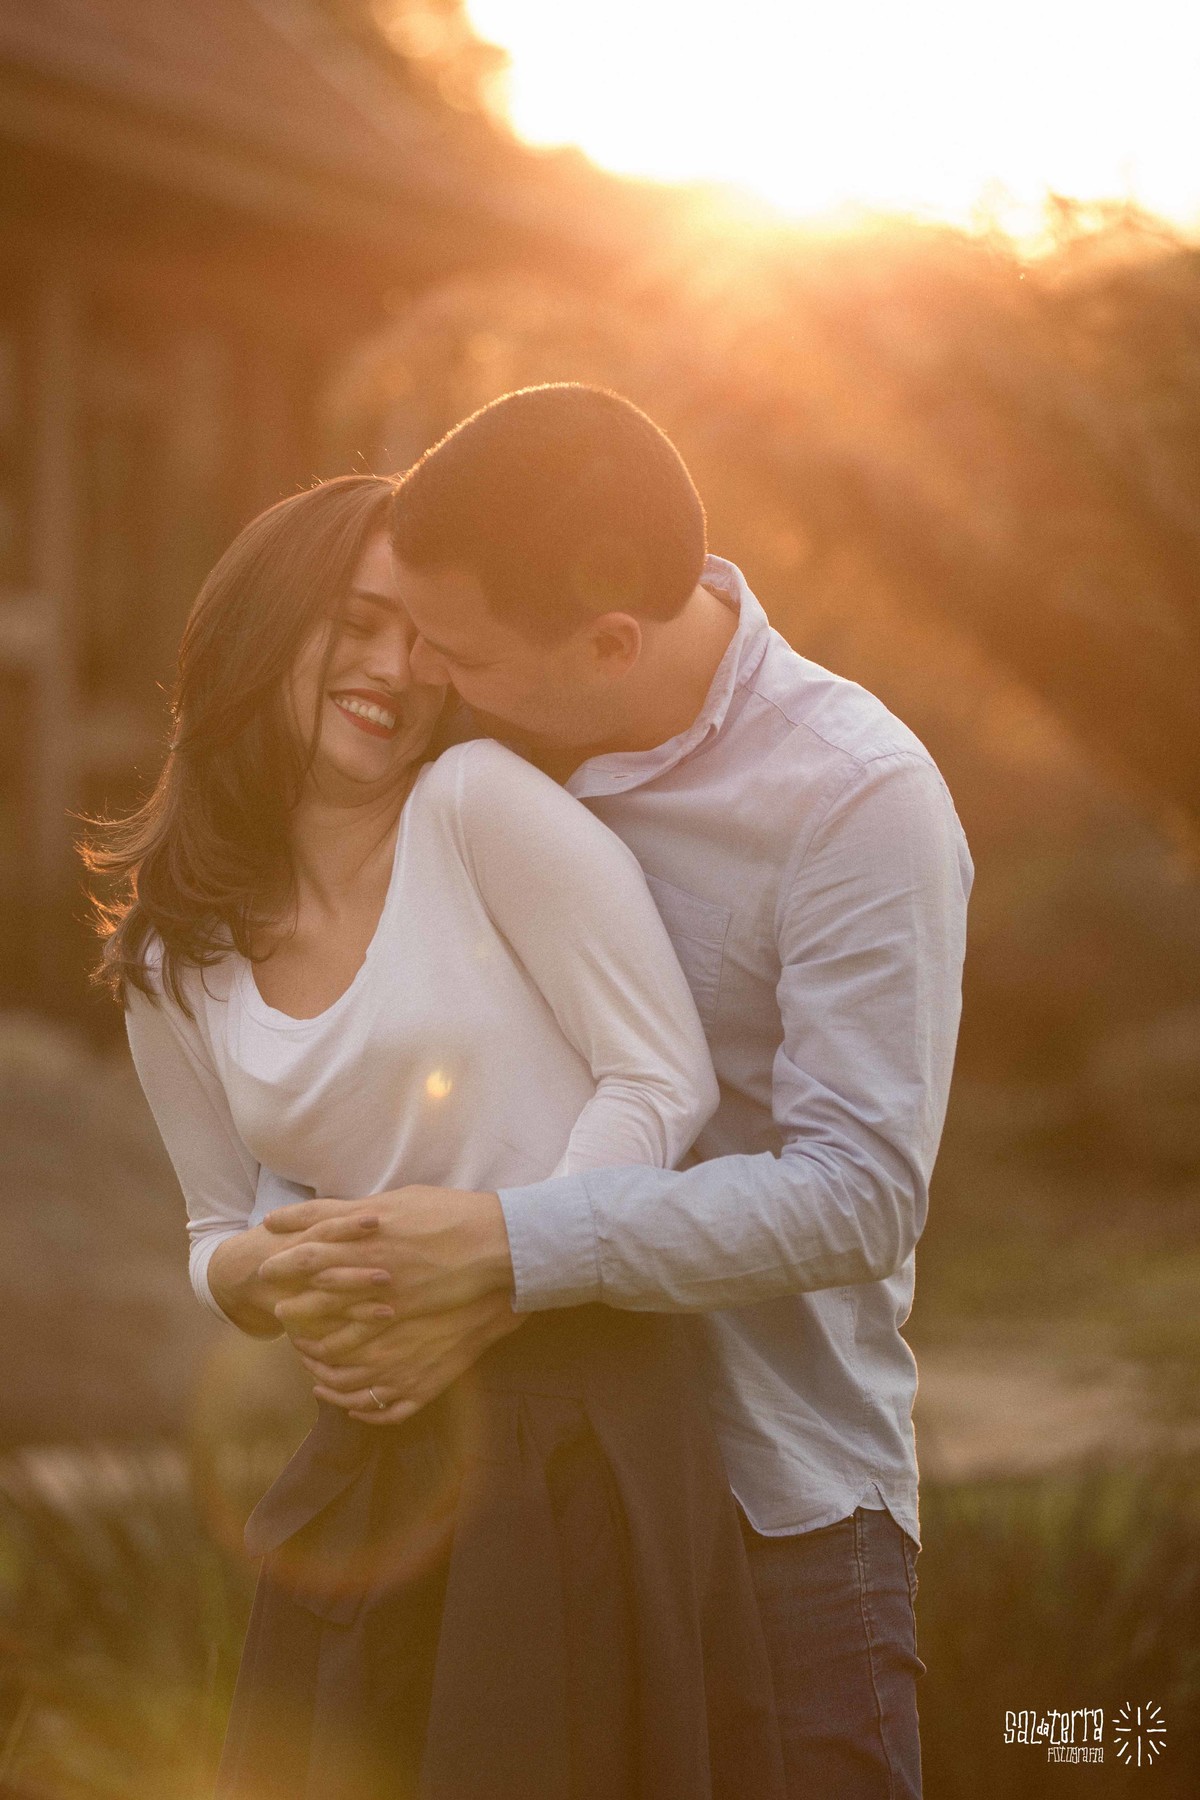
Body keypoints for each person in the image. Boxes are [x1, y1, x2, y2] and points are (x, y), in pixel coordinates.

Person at [257, 386, 974, 1800]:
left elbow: (863, 1194)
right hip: (513, 1502)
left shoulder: (855, 802)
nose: (427, 681)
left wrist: (516, 1247)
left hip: (771, 1520)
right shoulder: (471, 764)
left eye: (457, 652)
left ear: (608, 641)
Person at [83, 475, 787, 1800]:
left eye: (424, 639)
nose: (395, 670)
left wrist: (492, 1277)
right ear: (263, 628)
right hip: (370, 1446)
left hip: (578, 1413)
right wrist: (273, 1276)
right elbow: (212, 1236)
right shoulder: (174, 961)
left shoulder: (473, 808)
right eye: (357, 624)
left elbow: (658, 1079)